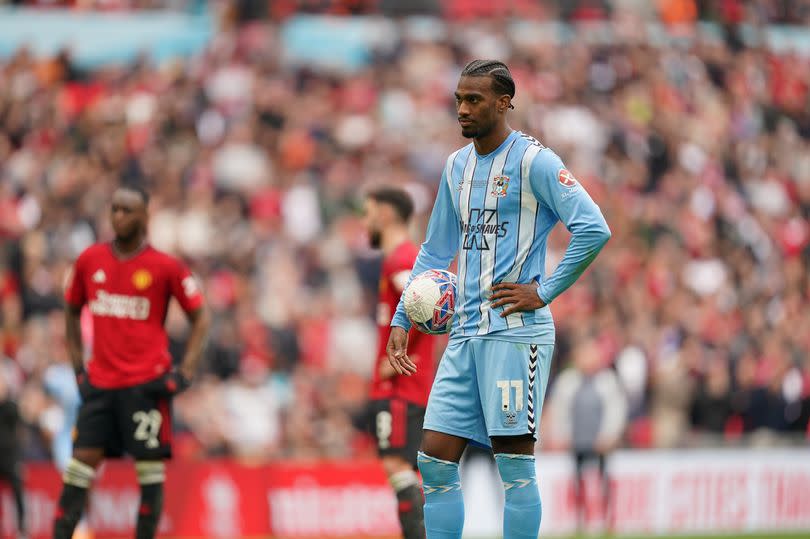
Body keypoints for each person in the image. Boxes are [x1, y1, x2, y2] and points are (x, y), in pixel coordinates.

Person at [386, 59, 611, 539]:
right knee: (435, 460)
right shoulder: (455, 166)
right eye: (458, 100)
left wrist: (544, 290)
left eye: (474, 100)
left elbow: (594, 228)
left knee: (514, 467)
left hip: (516, 336)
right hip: (464, 337)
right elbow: (434, 251)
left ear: (504, 102)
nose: (463, 110)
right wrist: (402, 316)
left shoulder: (536, 162)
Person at [53, 185, 210, 539]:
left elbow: (201, 316)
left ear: (144, 216)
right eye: (115, 210)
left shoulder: (165, 266)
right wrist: (79, 367)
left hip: (145, 387)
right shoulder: (90, 260)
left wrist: (186, 370)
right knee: (79, 469)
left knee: (150, 477)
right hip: (101, 385)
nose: (119, 217)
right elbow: (71, 311)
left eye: (127, 211)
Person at [364, 187, 437, 539]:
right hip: (412, 384)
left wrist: (396, 360)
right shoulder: (407, 257)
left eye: (368, 212)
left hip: (400, 386)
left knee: (397, 465)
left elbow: (425, 307)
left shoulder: (400, 258)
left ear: (386, 215)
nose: (366, 221)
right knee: (408, 467)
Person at [548, 338, 627, 534]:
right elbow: (560, 410)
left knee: (603, 480)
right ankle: (580, 521)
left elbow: (616, 410)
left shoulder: (607, 380)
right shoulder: (568, 381)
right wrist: (561, 434)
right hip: (578, 439)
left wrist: (609, 435)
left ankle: (608, 520)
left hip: (600, 441)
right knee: (577, 481)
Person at [0, 371, 26, 539]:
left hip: (10, 459)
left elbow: (19, 433)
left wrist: (19, 459)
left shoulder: (11, 407)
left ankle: (22, 530)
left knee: (18, 494)